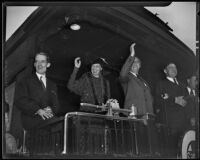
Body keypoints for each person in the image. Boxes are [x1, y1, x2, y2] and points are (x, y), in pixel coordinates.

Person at [14, 52, 59, 131]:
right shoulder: (25, 81)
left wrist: (51, 109)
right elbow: (20, 100)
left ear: (48, 65)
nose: (39, 64)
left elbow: (57, 105)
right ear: (34, 64)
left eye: (42, 61)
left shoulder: (53, 85)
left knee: (65, 124)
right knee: (59, 126)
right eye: (37, 61)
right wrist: (38, 110)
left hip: (49, 120)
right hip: (31, 120)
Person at [155, 62, 187, 157]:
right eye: (170, 67)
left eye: (175, 67)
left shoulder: (182, 85)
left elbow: (186, 102)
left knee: (183, 150)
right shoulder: (161, 84)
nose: (174, 69)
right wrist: (174, 100)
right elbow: (157, 101)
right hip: (169, 124)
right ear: (165, 71)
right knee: (170, 152)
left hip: (182, 123)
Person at [119, 43, 154, 117]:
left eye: (137, 62)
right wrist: (132, 55)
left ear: (140, 65)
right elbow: (122, 74)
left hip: (147, 115)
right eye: (132, 62)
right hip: (134, 114)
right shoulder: (127, 77)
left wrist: (151, 113)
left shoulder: (144, 81)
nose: (134, 63)